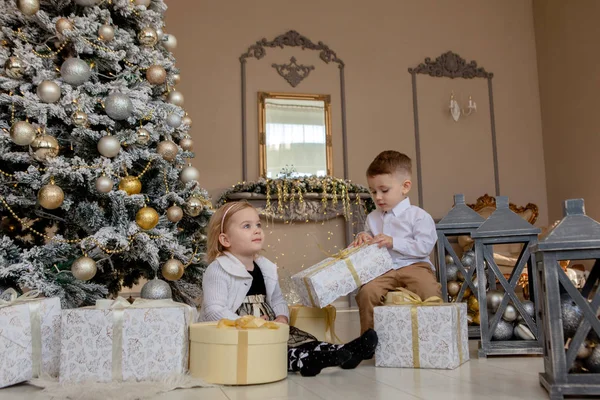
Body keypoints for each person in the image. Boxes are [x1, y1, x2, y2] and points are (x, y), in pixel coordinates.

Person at [199, 201, 378, 376]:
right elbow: (214, 310)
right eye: (246, 226)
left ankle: (344, 352)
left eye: (258, 224)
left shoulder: (265, 268)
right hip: (236, 333)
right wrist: (245, 323)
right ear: (225, 239)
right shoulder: (219, 269)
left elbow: (277, 299)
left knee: (301, 341)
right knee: (274, 353)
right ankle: (309, 361)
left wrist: (282, 317)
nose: (257, 230)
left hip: (268, 327)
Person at [352, 150, 441, 334]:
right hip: (383, 269)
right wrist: (363, 237)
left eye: (384, 190)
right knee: (367, 292)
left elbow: (424, 246)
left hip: (415, 265)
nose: (377, 197)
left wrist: (394, 241)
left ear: (405, 186)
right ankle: (368, 340)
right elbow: (370, 240)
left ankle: (434, 335)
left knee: (429, 290)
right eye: (373, 191)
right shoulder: (373, 218)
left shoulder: (419, 216)